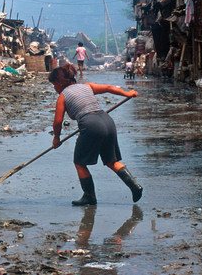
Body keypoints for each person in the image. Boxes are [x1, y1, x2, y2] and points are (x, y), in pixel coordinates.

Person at [49, 64, 142, 206]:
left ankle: (89, 197)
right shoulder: (87, 86)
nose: (54, 88)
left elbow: (57, 122)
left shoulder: (63, 97)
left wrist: (56, 138)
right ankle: (135, 186)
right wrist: (128, 94)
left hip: (91, 124)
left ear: (60, 83)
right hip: (107, 121)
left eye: (54, 85)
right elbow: (110, 88)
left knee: (79, 163)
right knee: (112, 161)